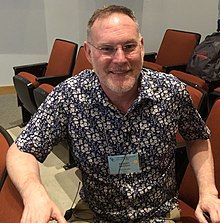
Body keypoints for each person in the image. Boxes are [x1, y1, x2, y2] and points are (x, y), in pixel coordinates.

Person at [6, 5, 220, 223]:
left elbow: (197, 136)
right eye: (107, 49)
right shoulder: (70, 95)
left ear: (141, 46)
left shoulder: (170, 90)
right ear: (88, 52)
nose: (120, 59)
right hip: (96, 213)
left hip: (159, 213)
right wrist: (34, 192)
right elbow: (21, 151)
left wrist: (208, 192)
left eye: (129, 46)